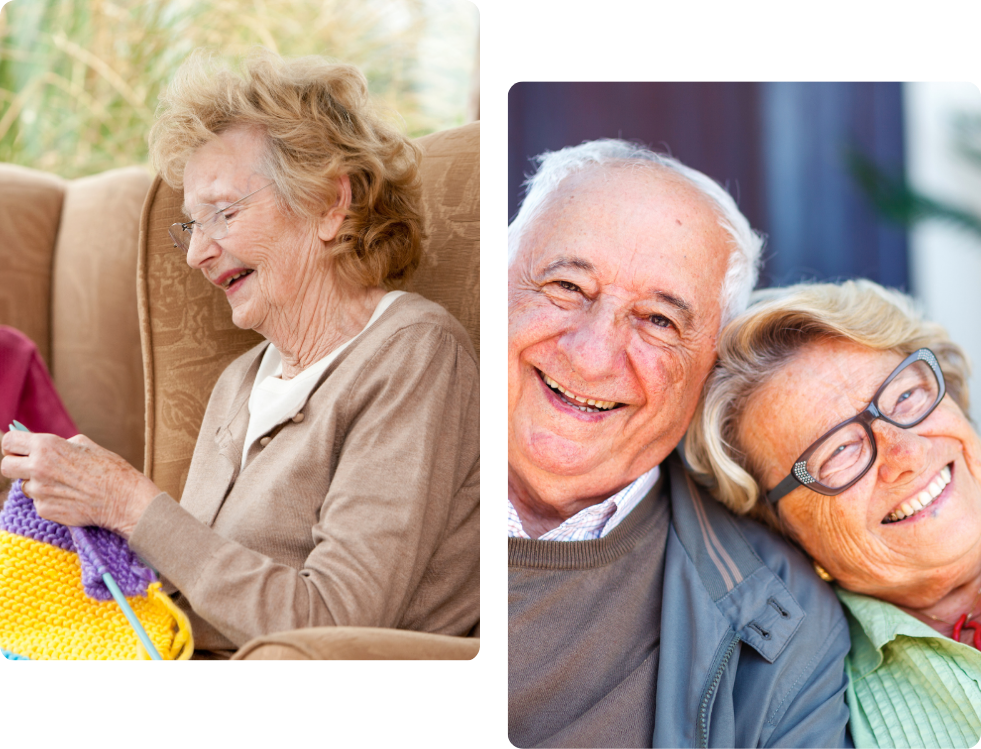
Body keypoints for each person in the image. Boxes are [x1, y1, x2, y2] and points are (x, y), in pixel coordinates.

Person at [0, 48, 480, 659]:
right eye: (190, 226)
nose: (198, 252)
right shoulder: (240, 381)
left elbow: (329, 623)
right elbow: (187, 593)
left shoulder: (414, 353)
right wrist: (85, 501)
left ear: (332, 203)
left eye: (223, 213)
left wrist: (128, 502)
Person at [506, 139, 853, 748]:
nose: (590, 354)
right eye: (566, 286)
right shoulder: (374, 451)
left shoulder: (785, 623)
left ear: (709, 370)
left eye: (659, 321)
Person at [685, 279, 981, 749]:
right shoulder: (810, 709)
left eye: (905, 396)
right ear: (784, 528)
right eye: (839, 450)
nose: (905, 453)